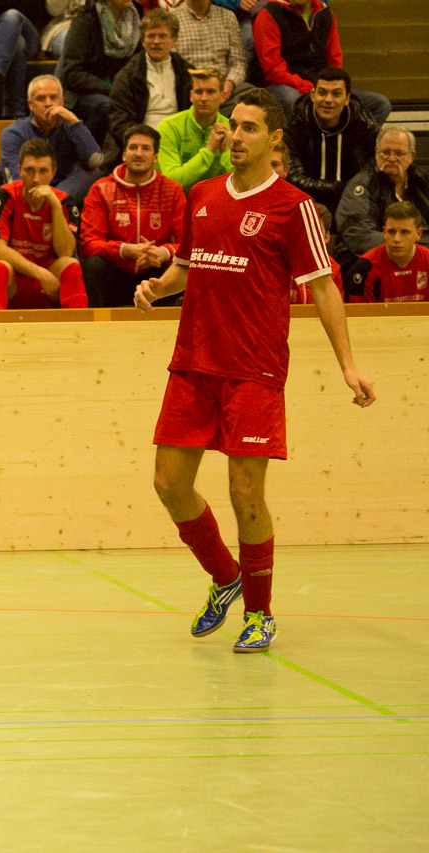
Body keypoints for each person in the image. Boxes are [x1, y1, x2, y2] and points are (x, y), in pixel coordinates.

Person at [134, 88, 375, 654]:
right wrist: (156, 287)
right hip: (193, 364)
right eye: (233, 126)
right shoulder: (202, 195)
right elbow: (187, 268)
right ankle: (226, 577)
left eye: (248, 128)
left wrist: (347, 365)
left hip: (254, 371)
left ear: (274, 139)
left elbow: (324, 287)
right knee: (169, 485)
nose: (236, 136)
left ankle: (260, 614)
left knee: (245, 493)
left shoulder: (295, 207)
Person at [80, 124, 186, 307]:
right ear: (124, 154)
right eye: (133, 147)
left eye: (145, 148)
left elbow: (188, 244)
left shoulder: (172, 190)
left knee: (183, 266)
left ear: (155, 157)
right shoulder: (101, 189)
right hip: (115, 274)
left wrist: (162, 252)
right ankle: (95, 322)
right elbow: (90, 243)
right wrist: (124, 250)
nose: (138, 153)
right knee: (93, 265)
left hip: (155, 277)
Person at [0, 138, 87, 309]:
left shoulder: (65, 202)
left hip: (49, 285)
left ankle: (78, 325)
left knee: (72, 265)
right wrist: (39, 273)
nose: (36, 179)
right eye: (29, 170)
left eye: (43, 171)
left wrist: (55, 207)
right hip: (15, 280)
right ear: (19, 170)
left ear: (53, 172)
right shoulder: (4, 196)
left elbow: (66, 252)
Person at [252, 0, 391, 126]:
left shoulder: (326, 14)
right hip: (282, 86)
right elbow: (273, 70)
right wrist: (310, 88)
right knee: (291, 99)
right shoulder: (268, 15)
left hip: (320, 85)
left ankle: (346, 143)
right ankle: (293, 145)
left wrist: (332, 87)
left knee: (380, 104)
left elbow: (334, 60)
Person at [335, 126, 429, 277]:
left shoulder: (422, 181)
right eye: (385, 152)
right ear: (376, 153)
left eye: (398, 153)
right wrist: (412, 249)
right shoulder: (361, 186)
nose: (391, 158)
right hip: (369, 267)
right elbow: (360, 235)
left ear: (411, 156)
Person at [283, 67, 378, 214]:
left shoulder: (365, 126)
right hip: (305, 204)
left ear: (347, 99)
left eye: (336, 94)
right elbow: (294, 178)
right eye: (322, 93)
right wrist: (343, 187)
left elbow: (372, 175)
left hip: (352, 204)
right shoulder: (295, 124)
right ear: (313, 95)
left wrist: (349, 191)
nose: (328, 100)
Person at [104, 9, 192, 163]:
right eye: (151, 36)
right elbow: (119, 121)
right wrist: (147, 143)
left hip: (180, 141)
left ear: (174, 40)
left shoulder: (186, 72)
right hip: (143, 144)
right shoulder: (127, 76)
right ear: (143, 41)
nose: (156, 41)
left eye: (162, 36)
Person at [0, 75, 104, 202]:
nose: (48, 104)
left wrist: (74, 121)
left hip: (65, 188)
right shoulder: (14, 133)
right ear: (30, 104)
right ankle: (54, 204)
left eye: (53, 97)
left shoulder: (71, 127)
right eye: (41, 98)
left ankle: (56, 203)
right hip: (31, 192)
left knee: (93, 172)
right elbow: (18, 180)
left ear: (62, 102)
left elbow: (95, 162)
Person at [58, 0, 141, 143]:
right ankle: (85, 150)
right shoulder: (85, 21)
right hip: (81, 93)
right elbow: (72, 73)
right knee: (108, 107)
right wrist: (112, 90)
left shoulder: (136, 19)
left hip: (118, 90)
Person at [157, 67, 234, 192]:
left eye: (210, 92)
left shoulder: (232, 130)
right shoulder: (169, 127)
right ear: (191, 96)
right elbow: (172, 180)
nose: (204, 98)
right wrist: (209, 150)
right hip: (180, 200)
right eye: (199, 92)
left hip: (218, 199)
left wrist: (225, 151)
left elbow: (242, 181)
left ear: (222, 96)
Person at [174, 0, 254, 111]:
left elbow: (238, 61)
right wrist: (198, 88)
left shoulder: (228, 17)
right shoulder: (173, 19)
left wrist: (230, 83)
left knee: (252, 98)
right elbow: (173, 64)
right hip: (189, 92)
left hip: (224, 91)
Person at [357, 201, 429, 303]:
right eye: (392, 232)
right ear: (384, 232)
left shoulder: (427, 261)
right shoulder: (365, 267)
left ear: (418, 234)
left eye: (404, 232)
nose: (397, 239)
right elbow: (358, 312)